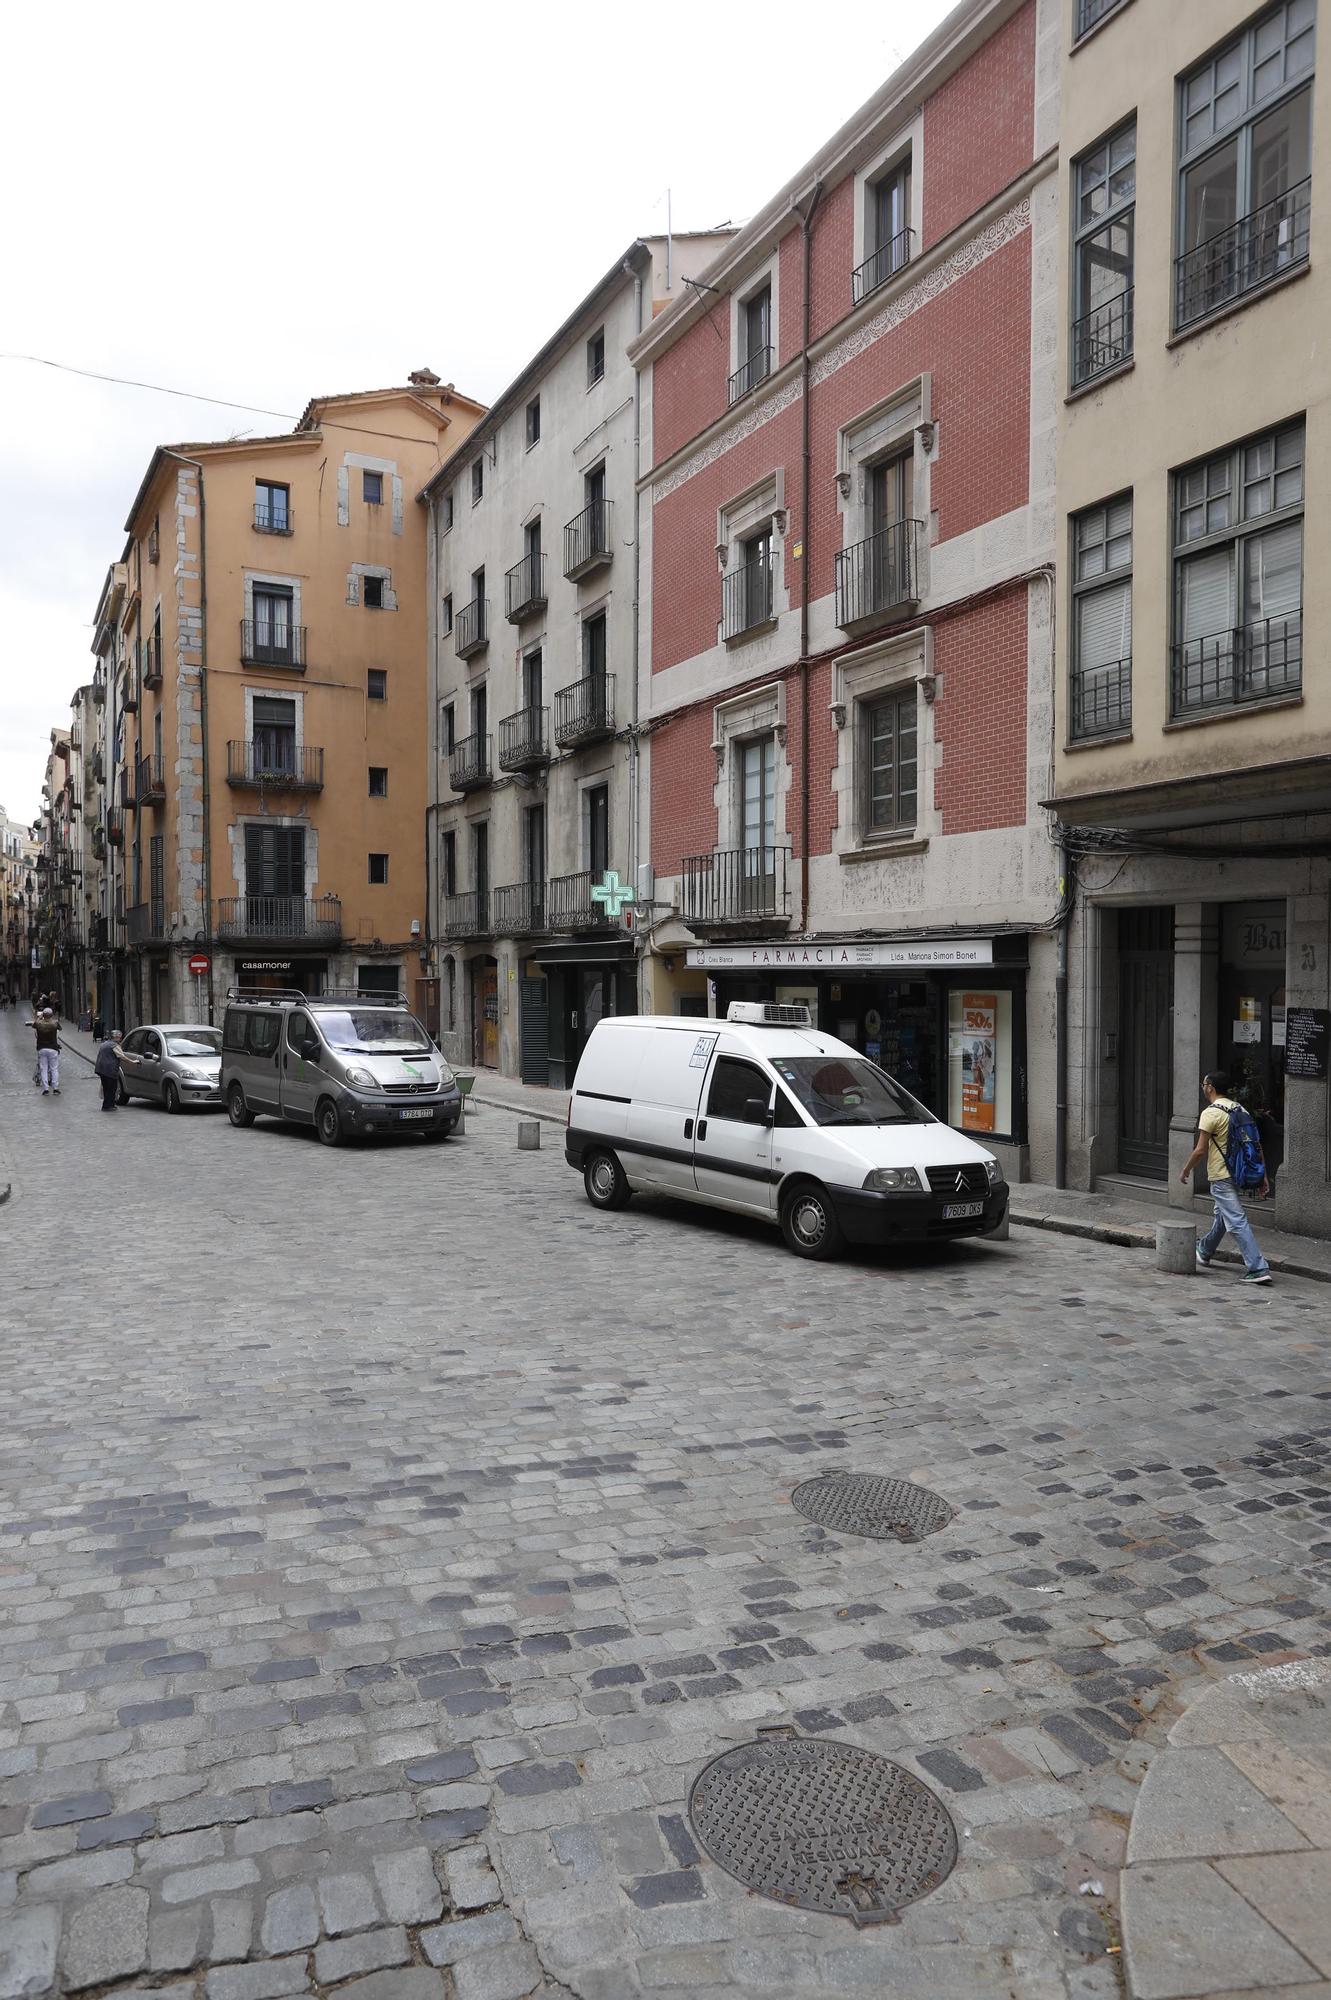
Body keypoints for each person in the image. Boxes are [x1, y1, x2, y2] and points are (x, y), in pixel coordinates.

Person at [1180, 1071, 1271, 1285]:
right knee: (1223, 1215)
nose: (1202, 1087)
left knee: (1236, 1220)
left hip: (1221, 1175)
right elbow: (1256, 1145)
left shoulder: (1210, 1113)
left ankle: (1258, 1267)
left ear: (1210, 1087)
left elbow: (1200, 1150)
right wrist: (1263, 1175)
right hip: (1239, 1172)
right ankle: (1204, 1249)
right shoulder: (1240, 1109)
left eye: (1203, 1084)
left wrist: (1186, 1169)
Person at [31, 1006, 60, 1096]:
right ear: (51, 1015)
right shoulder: (54, 1023)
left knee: (43, 1069)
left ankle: (46, 1089)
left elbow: (33, 1024)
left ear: (43, 1015)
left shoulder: (39, 1024)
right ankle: (55, 1088)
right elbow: (60, 1028)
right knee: (54, 1069)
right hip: (53, 1048)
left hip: (42, 1048)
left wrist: (39, 1017)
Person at [94, 1030, 123, 1111]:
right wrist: (133, 1062)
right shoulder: (114, 1045)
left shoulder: (104, 1044)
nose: (120, 1039)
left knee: (106, 1088)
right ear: (116, 1037)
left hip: (101, 1069)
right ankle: (109, 1105)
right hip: (109, 1070)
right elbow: (122, 1056)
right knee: (112, 1088)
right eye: (120, 1037)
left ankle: (106, 1105)